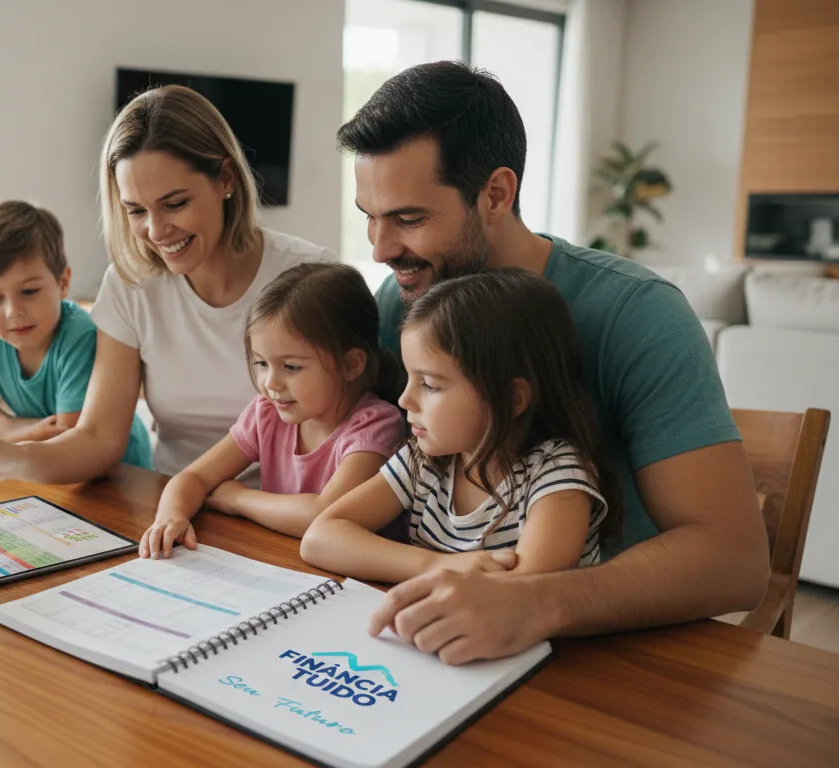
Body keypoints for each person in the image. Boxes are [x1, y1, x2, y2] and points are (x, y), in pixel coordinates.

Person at [344, 61, 767, 665]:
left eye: (409, 219)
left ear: (496, 193)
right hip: (431, 635)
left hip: (611, 658)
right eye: (369, 217)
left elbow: (735, 562)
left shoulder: (635, 314)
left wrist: (534, 603)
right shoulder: (404, 302)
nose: (382, 249)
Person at [0, 85, 333, 488]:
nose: (157, 231)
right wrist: (7, 456)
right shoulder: (131, 286)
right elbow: (97, 439)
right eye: (136, 211)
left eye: (175, 204)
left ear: (225, 179)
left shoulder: (310, 273)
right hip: (173, 506)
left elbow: (350, 435)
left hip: (284, 512)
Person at [302, 268, 620, 583]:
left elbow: (526, 591)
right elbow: (319, 537)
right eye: (409, 378)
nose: (404, 400)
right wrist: (436, 566)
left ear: (511, 399)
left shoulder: (555, 474)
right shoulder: (421, 461)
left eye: (429, 385)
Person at [140, 262, 404, 558]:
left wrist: (238, 498)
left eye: (291, 367)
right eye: (261, 363)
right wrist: (171, 516)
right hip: (280, 558)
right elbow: (194, 477)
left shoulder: (376, 427)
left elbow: (323, 515)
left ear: (351, 365)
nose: (270, 383)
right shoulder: (267, 412)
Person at [0, 200, 152, 468]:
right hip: (38, 466)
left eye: (29, 291)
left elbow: (66, 437)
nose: (12, 311)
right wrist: (31, 431)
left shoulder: (80, 335)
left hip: (117, 474)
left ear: (63, 283)